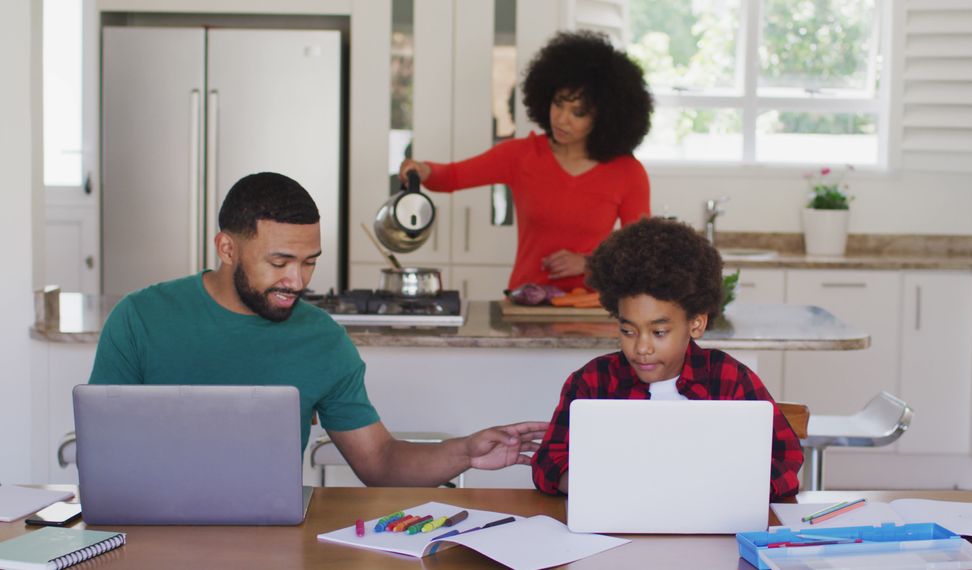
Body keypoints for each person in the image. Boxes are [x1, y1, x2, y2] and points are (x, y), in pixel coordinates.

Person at [89, 172, 547, 486]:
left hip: (270, 544)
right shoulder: (140, 318)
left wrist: (463, 452)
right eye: (279, 262)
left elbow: (379, 461)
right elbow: (104, 453)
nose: (298, 281)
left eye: (309, 262)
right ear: (226, 248)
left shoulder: (322, 339)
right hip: (148, 534)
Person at [530, 218, 804, 500]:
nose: (641, 347)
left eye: (659, 331)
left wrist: (720, 485)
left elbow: (787, 461)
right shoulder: (593, 380)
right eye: (628, 330)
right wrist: (588, 483)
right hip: (616, 532)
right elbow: (548, 460)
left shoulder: (729, 379)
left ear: (696, 324)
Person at [399, 30, 653, 291]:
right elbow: (452, 177)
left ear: (604, 117)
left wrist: (589, 264)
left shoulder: (628, 173)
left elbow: (640, 252)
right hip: (525, 305)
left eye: (578, 113)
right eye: (558, 103)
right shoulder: (521, 155)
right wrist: (424, 170)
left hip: (591, 309)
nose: (561, 119)